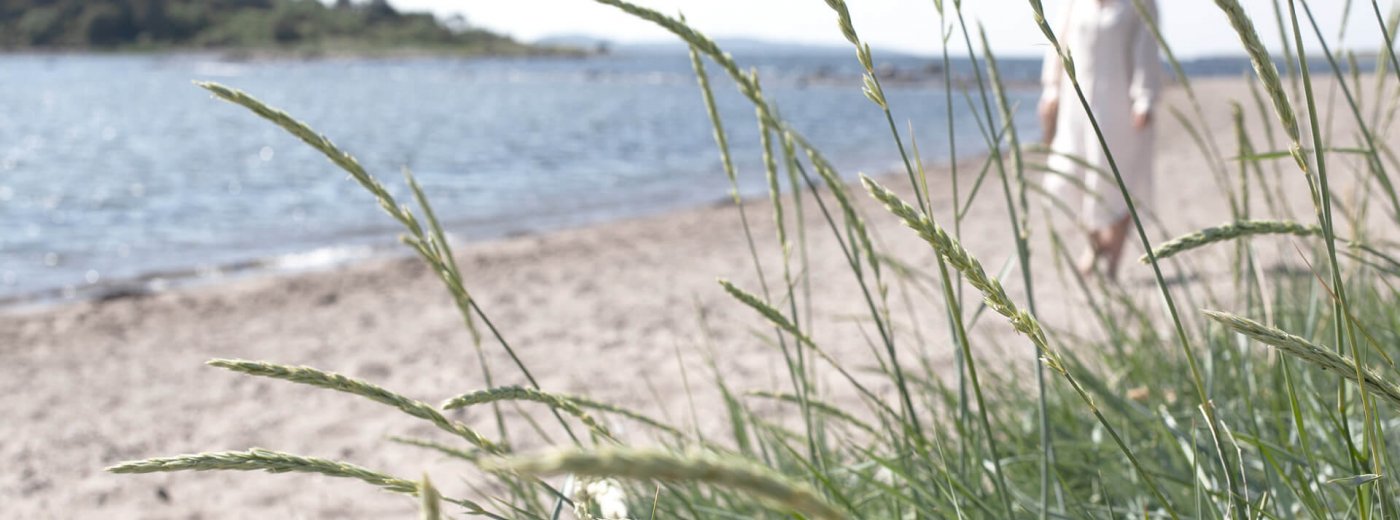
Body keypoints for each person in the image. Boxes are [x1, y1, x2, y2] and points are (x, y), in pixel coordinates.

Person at [1039, 0, 1161, 280]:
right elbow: (1058, 43)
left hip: (1118, 109)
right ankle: (1095, 243)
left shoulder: (1140, 4)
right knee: (1067, 176)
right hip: (1076, 106)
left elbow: (1147, 49)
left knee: (1116, 182)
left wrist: (1145, 98)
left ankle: (1112, 263)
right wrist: (1051, 90)